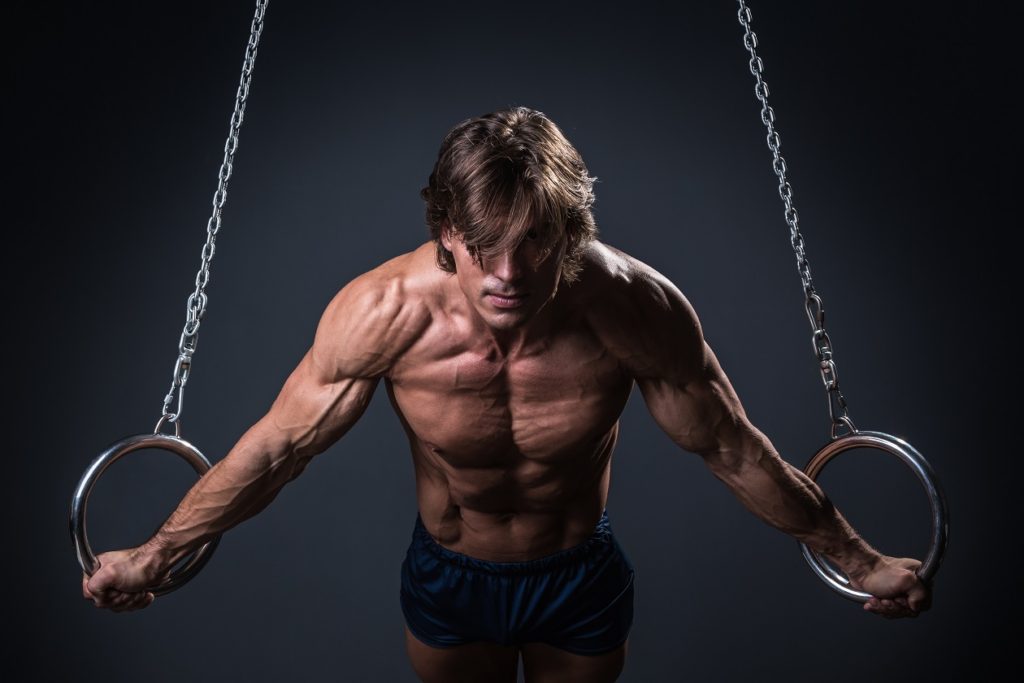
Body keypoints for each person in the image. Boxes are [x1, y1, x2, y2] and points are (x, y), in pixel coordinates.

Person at [82, 106, 931, 683]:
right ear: (442, 228)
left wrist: (860, 561)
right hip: (450, 576)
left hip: (579, 574)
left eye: (535, 241)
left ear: (571, 226)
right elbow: (281, 447)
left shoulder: (633, 308)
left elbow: (730, 446)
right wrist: (157, 553)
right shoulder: (384, 313)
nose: (509, 273)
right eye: (482, 243)